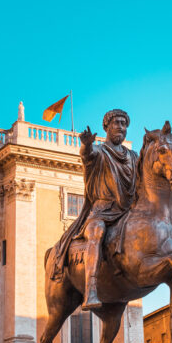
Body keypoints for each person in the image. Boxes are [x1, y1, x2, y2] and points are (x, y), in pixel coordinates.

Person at [53, 109, 138, 310]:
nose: (121, 127)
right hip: (102, 210)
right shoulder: (100, 151)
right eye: (116, 122)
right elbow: (87, 156)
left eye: (124, 124)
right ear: (106, 127)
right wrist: (86, 144)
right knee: (97, 233)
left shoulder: (133, 156)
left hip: (126, 211)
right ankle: (91, 288)